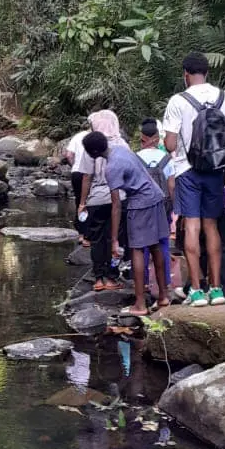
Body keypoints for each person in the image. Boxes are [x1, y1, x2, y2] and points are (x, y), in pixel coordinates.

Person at [163, 52, 225, 307]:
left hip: (187, 171)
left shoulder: (177, 100)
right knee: (212, 227)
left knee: (191, 227)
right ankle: (217, 290)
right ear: (207, 72)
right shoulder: (224, 97)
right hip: (216, 171)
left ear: (185, 74)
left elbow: (170, 144)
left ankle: (196, 290)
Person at [83, 131, 171, 318]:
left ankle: (140, 304)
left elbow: (116, 206)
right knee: (155, 246)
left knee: (137, 250)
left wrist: (114, 240)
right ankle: (163, 296)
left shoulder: (111, 168)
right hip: (156, 196)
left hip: (140, 203)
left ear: (94, 153)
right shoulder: (122, 150)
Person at [77, 111, 128, 292]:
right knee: (116, 239)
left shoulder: (91, 144)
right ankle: (112, 277)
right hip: (119, 197)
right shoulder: (122, 144)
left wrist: (82, 202)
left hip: (96, 199)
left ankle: (98, 278)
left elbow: (86, 177)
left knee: (98, 240)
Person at [137, 119, 176, 294]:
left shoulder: (136, 158)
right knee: (163, 243)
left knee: (142, 244)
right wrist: (174, 207)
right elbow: (172, 185)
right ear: (157, 138)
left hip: (141, 206)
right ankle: (166, 282)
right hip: (163, 205)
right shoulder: (166, 158)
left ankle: (143, 282)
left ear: (143, 138)